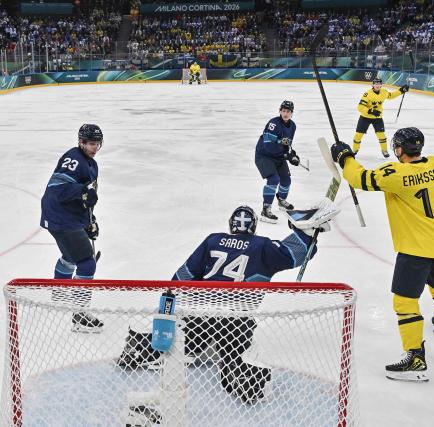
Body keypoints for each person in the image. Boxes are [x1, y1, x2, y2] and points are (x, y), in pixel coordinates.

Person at [117, 203, 339, 403]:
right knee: (233, 353)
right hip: (236, 318)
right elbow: (293, 254)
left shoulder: (213, 239)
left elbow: (185, 274)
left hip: (199, 313)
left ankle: (139, 347)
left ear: (231, 225)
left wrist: (169, 300)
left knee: (188, 345)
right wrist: (308, 234)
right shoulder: (262, 245)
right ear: (253, 227)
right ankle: (243, 376)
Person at [331, 127, 434, 382]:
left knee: (405, 303)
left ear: (399, 149)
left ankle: (415, 357)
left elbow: (360, 178)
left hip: (416, 249)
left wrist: (344, 157)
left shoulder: (395, 174)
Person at [40, 124, 104, 333]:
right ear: (81, 142)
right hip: (60, 216)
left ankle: (59, 294)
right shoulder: (74, 159)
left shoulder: (90, 164)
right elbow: (57, 190)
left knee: (70, 255)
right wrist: (81, 191)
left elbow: (85, 199)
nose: (95, 148)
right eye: (91, 143)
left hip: (64, 216)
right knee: (86, 263)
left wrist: (89, 221)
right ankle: (79, 316)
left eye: (97, 144)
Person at [254, 100, 300, 223]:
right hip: (264, 156)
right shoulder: (273, 124)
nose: (285, 113)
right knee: (274, 179)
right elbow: (268, 146)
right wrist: (285, 154)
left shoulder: (293, 126)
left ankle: (281, 201)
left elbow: (287, 144)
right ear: (280, 111)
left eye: (288, 111)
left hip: (278, 156)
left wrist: (292, 155)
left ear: (292, 113)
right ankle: (266, 209)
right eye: (283, 111)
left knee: (286, 180)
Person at [352, 77, 409, 158]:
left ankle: (384, 150)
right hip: (365, 117)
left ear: (381, 85)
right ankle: (355, 150)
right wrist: (370, 111)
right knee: (358, 135)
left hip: (377, 118)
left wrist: (401, 90)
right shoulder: (367, 94)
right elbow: (360, 107)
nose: (378, 85)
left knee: (381, 135)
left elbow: (391, 96)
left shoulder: (384, 92)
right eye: (376, 84)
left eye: (379, 84)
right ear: (373, 85)